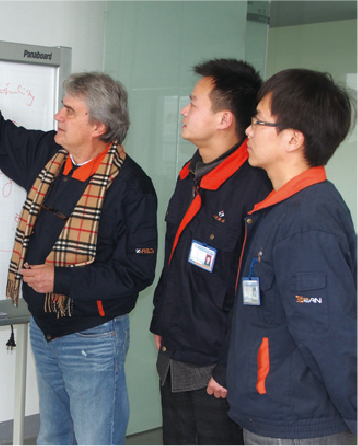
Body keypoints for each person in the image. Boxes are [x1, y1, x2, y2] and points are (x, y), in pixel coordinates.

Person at [0, 59, 157, 445]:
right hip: (44, 327)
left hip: (93, 337)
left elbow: (136, 273)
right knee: (54, 435)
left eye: (69, 111)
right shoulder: (49, 157)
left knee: (95, 439)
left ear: (98, 127)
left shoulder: (131, 187)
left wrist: (61, 279)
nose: (58, 116)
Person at [227, 69, 357, 444]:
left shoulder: (307, 222)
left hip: (298, 422)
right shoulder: (282, 209)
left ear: (293, 139)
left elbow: (327, 334)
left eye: (258, 121)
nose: (248, 131)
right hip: (275, 411)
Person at [149, 59, 271, 445]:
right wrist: (162, 319)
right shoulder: (191, 175)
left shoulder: (254, 188)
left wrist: (228, 365)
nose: (183, 111)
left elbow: (255, 291)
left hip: (216, 365)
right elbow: (175, 261)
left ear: (224, 119)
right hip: (176, 349)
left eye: (193, 103)